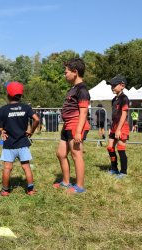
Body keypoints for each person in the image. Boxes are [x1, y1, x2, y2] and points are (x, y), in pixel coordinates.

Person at [0, 82, 40, 196]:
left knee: (7, 168)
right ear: (21, 95)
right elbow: (36, 119)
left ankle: (5, 191)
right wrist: (31, 131)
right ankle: (30, 190)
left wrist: (0, 130)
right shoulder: (26, 107)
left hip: (9, 143)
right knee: (26, 167)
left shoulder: (3, 109)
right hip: (23, 142)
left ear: (8, 95)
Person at [53, 58, 90, 193]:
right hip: (67, 125)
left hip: (76, 125)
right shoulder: (73, 89)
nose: (65, 75)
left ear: (75, 72)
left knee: (76, 155)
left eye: (66, 72)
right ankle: (66, 182)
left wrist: (78, 132)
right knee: (61, 154)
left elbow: (84, 111)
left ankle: (79, 186)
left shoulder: (82, 89)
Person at [106, 75, 130, 179]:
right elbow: (114, 115)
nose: (112, 87)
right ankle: (114, 168)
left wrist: (119, 129)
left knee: (120, 149)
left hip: (122, 126)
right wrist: (112, 128)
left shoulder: (124, 98)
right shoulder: (114, 99)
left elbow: (124, 114)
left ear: (122, 86)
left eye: (114, 85)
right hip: (114, 126)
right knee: (110, 147)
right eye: (111, 85)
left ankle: (123, 172)